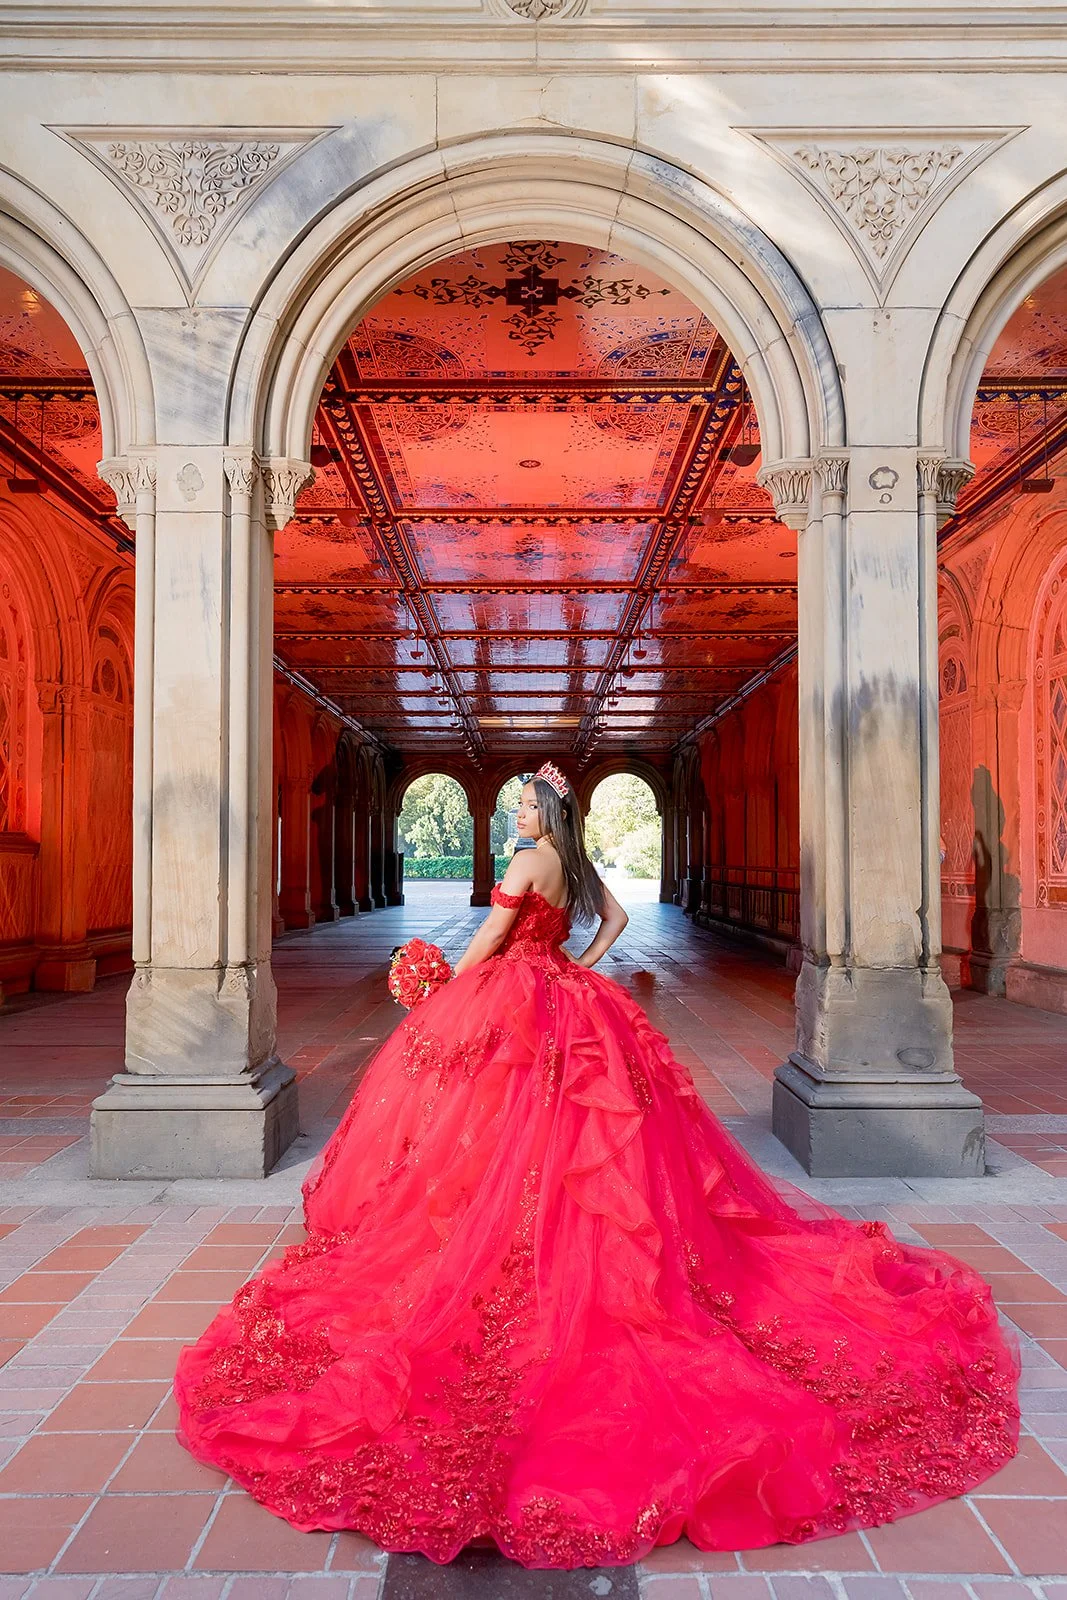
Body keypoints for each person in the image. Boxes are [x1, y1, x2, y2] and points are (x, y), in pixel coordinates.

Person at [174, 761, 1019, 1570]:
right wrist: (571, 972)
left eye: (525, 807)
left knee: (494, 1138)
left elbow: (491, 937)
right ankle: (555, 1246)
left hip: (510, 1001)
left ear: (547, 815)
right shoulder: (572, 862)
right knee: (585, 1146)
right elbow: (614, 923)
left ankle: (514, 1251)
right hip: (570, 1007)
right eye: (514, 808)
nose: (515, 815)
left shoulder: (525, 860)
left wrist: (438, 989)